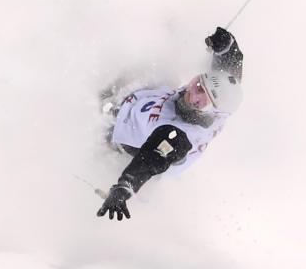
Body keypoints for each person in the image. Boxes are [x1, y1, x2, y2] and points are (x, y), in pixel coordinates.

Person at [96, 27, 244, 221]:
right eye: (198, 83)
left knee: (104, 138)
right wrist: (226, 47)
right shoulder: (214, 105)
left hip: (129, 143)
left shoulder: (180, 135)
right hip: (148, 101)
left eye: (201, 97)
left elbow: (153, 158)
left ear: (210, 112)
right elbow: (229, 73)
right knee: (162, 70)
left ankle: (105, 112)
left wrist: (126, 185)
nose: (192, 91)